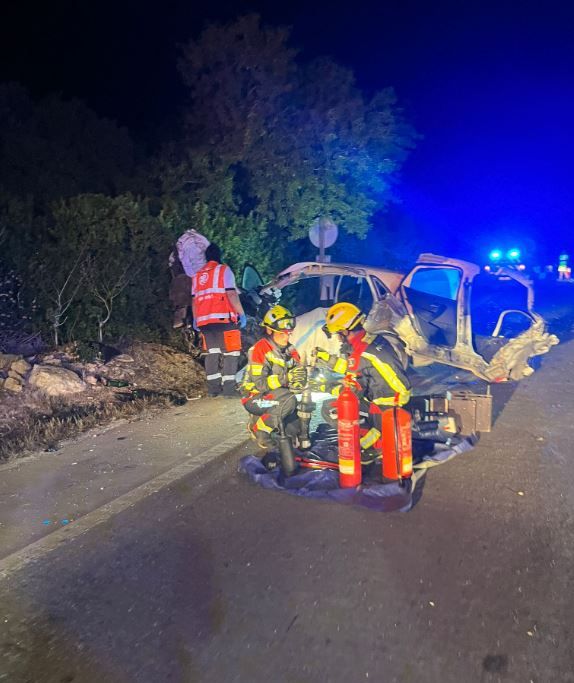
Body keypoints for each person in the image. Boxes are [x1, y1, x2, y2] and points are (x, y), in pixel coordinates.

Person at [310, 302, 411, 458]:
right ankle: (374, 437)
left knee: (330, 408)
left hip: (387, 402)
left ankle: (365, 446)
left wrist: (324, 387)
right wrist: (327, 358)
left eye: (338, 333)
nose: (338, 338)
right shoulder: (369, 340)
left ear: (345, 330)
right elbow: (352, 366)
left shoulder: (361, 352)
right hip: (395, 393)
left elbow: (351, 392)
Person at [241, 305, 307, 451]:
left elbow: (298, 370)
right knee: (288, 402)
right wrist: (286, 378)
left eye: (289, 333)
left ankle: (270, 419)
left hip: (278, 395)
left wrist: (301, 379)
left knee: (294, 430)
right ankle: (259, 429)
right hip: (254, 398)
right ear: (270, 331)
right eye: (282, 333)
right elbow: (260, 385)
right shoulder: (259, 349)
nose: (287, 337)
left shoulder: (290, 350)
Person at [191, 243, 246, 397]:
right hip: (224, 319)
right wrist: (241, 313)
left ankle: (213, 389)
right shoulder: (224, 270)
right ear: (219, 256)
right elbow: (231, 294)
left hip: (204, 322)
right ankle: (229, 389)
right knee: (231, 353)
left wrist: (196, 319)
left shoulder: (197, 275)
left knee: (212, 353)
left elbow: (194, 300)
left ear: (206, 257)